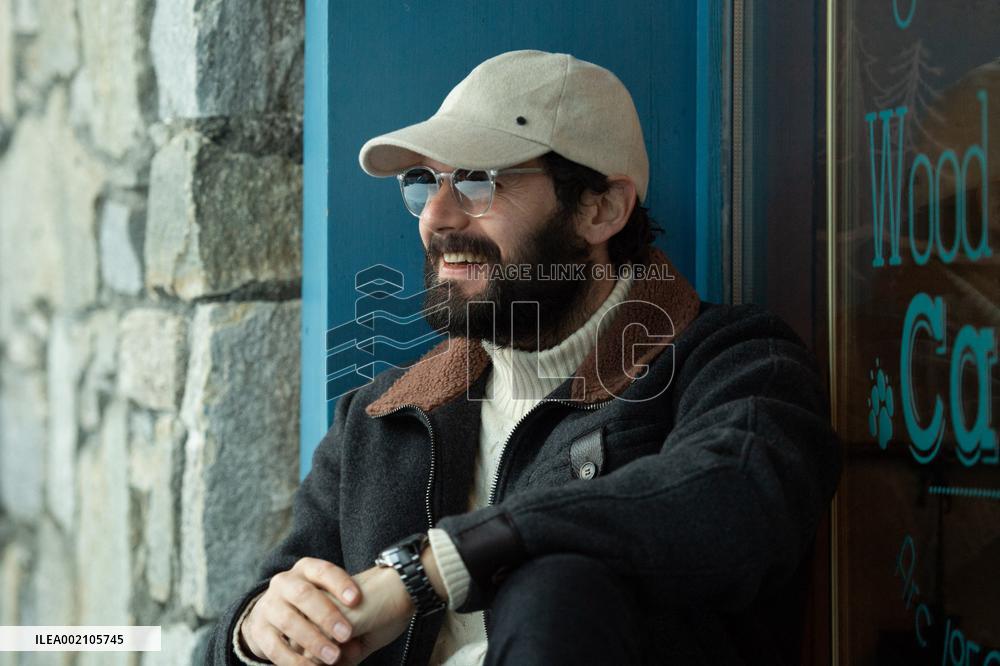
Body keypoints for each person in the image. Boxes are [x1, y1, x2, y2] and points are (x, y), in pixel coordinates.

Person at [206, 49, 841, 666]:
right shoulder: (379, 418)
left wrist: (435, 568)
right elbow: (231, 639)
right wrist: (258, 634)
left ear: (601, 208)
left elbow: (734, 504)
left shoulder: (734, 361)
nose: (436, 216)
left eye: (479, 180)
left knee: (559, 585)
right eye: (424, 182)